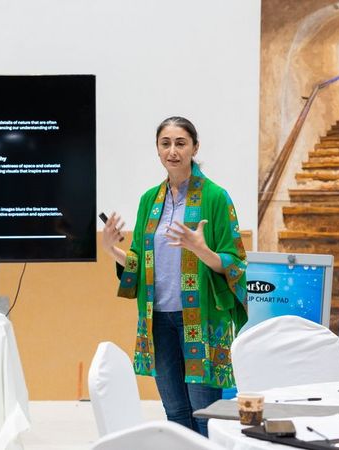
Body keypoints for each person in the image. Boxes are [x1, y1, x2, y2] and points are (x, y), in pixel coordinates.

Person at [101, 116, 248, 437]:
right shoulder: (149, 201)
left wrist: (201, 249)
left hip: (201, 319)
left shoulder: (215, 197)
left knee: (204, 412)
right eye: (165, 144)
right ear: (157, 150)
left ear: (195, 147)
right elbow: (139, 262)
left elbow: (235, 263)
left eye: (180, 143)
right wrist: (112, 249)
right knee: (175, 410)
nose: (173, 151)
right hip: (159, 320)